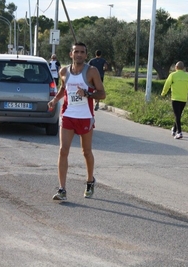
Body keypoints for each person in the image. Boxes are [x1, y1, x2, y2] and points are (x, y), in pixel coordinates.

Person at [48, 42, 106, 200]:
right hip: (68, 115)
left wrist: (87, 93)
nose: (79, 54)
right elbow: (63, 89)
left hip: (85, 116)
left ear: (86, 55)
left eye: (82, 52)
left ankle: (90, 181)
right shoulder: (63, 71)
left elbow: (102, 94)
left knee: (86, 152)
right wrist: (54, 101)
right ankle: (62, 189)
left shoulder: (91, 72)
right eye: (76, 52)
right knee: (63, 150)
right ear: (70, 54)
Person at [161, 61, 188, 139]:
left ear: (175, 67)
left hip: (175, 98)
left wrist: (163, 93)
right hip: (183, 99)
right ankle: (174, 129)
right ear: (183, 68)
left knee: (177, 115)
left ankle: (179, 132)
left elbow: (167, 85)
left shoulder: (173, 75)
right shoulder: (187, 76)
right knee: (178, 115)